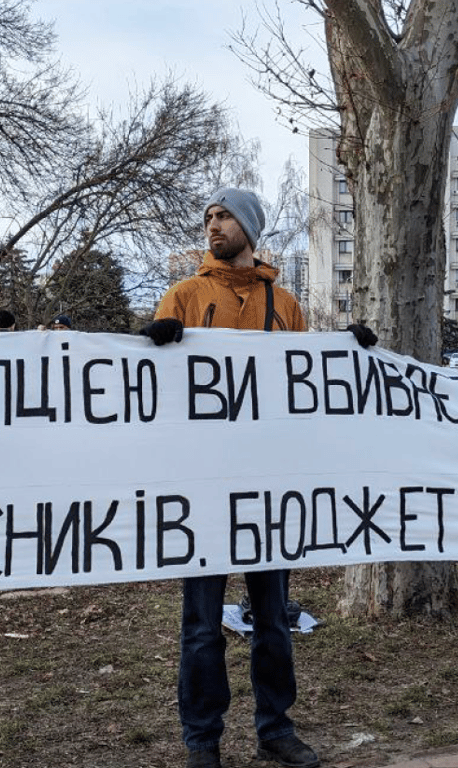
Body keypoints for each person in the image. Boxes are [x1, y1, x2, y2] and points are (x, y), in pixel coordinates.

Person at [139, 188, 376, 768]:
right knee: (200, 625)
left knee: (272, 618)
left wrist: (350, 353)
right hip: (203, 487)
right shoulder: (186, 295)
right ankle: (203, 742)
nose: (213, 226)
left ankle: (276, 728)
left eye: (223, 216)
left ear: (249, 226)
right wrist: (154, 344)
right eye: (209, 218)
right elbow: (158, 392)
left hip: (270, 488)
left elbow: (304, 380)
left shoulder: (284, 304)